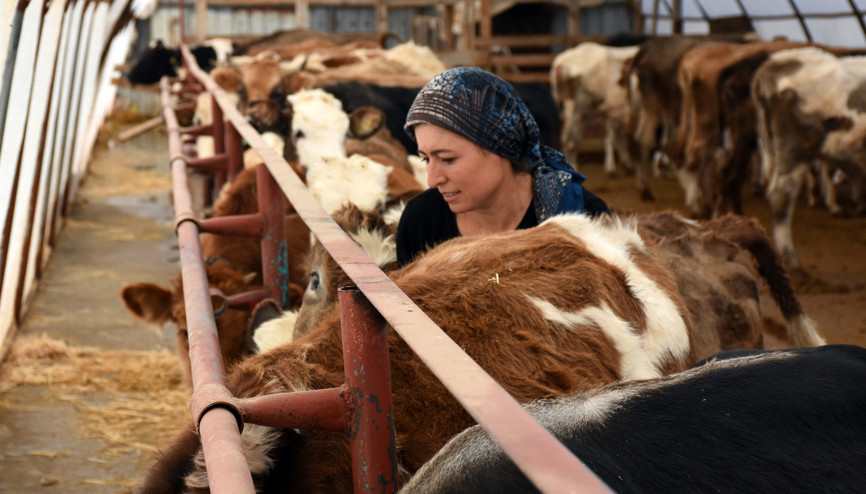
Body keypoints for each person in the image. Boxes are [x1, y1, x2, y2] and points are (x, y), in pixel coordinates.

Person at [396, 66, 610, 267]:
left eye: (448, 159)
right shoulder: (420, 223)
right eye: (426, 159)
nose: (432, 180)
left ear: (501, 146)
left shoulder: (581, 217)